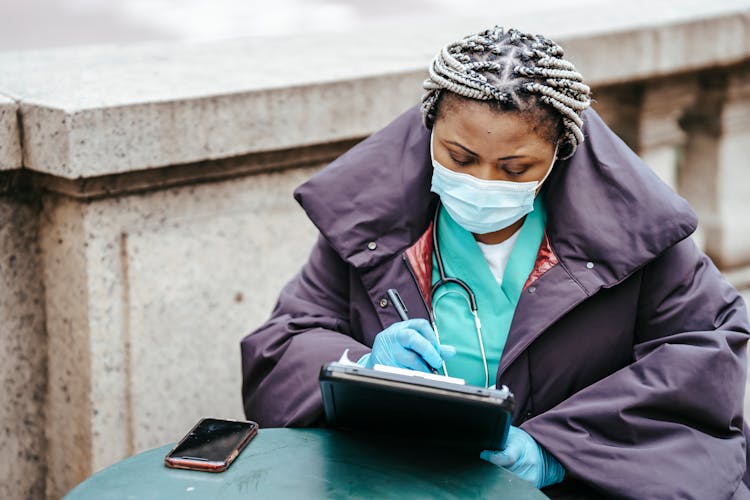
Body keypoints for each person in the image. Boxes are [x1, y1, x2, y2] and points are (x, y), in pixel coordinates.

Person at [240, 26, 750, 498]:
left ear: (560, 151)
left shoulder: (642, 237)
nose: (483, 182)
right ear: (429, 128)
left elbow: (704, 360)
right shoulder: (364, 225)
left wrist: (556, 451)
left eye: (515, 167)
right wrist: (361, 370)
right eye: (459, 158)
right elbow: (282, 345)